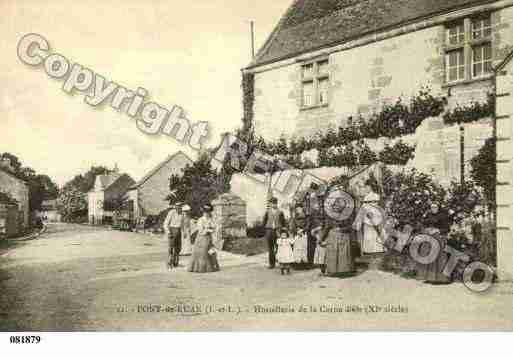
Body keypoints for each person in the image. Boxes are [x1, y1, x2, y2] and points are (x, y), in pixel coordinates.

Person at [416, 202, 452, 284]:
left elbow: (447, 228)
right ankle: (429, 277)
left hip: (439, 238)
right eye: (432, 207)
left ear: (438, 208)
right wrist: (427, 229)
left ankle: (441, 279)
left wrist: (438, 230)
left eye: (435, 207)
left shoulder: (443, 216)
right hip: (429, 237)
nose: (433, 209)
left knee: (439, 257)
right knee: (427, 254)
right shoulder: (428, 215)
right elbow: (423, 223)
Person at [354, 179, 385, 254]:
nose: (366, 188)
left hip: (370, 215)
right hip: (375, 216)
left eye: (366, 187)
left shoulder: (368, 196)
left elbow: (364, 207)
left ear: (370, 187)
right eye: (365, 187)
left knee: (370, 232)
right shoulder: (376, 196)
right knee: (373, 232)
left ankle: (370, 249)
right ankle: (377, 248)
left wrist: (358, 220)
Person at [188, 204, 220, 273]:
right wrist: (209, 229)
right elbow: (201, 230)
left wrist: (213, 229)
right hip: (201, 238)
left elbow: (215, 226)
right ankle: (201, 267)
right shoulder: (201, 220)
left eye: (208, 212)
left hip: (209, 237)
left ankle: (212, 265)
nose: (207, 213)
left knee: (211, 251)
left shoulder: (211, 219)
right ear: (203, 212)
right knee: (203, 252)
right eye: (206, 212)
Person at [262, 197, 286, 269]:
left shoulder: (280, 212)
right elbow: (264, 221)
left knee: (278, 247)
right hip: (269, 231)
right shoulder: (267, 212)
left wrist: (283, 231)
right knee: (270, 248)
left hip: (278, 231)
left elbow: (283, 222)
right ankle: (271, 264)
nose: (273, 205)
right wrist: (265, 230)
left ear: (277, 203)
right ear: (270, 204)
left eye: (274, 203)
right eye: (272, 203)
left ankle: (280, 261)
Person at [163, 202, 184, 270]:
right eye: (177, 206)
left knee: (178, 248)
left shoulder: (182, 213)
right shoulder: (171, 213)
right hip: (172, 230)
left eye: (180, 206)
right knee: (171, 248)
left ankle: (175, 262)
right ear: (175, 206)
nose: (179, 208)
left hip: (179, 231)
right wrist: (168, 232)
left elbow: (182, 223)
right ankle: (169, 263)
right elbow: (166, 223)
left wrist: (184, 232)